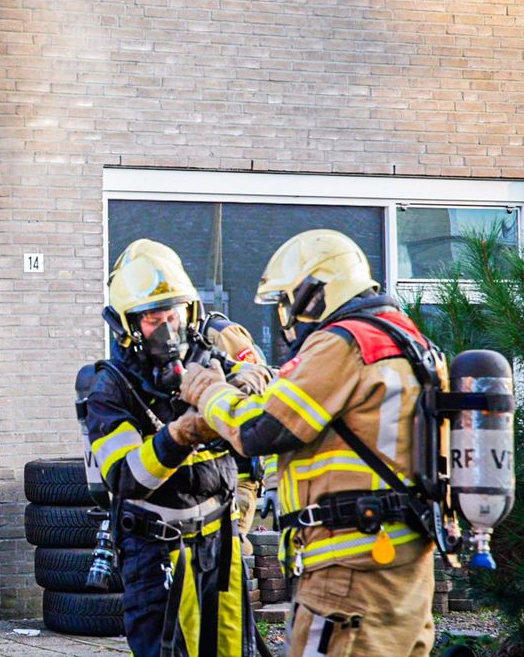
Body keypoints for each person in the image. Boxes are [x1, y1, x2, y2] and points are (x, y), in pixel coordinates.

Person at [180, 229, 437, 656]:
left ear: (315, 295)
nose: (287, 317)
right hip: (405, 561)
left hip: (349, 573)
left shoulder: (342, 342)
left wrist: (208, 391)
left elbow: (260, 430)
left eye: (288, 301)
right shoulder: (403, 338)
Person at [85, 239, 270, 657]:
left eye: (173, 313)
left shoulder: (210, 361)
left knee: (232, 649)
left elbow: (261, 377)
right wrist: (180, 435)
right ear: (128, 326)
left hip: (221, 543)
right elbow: (127, 477)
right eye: (152, 318)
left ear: (190, 312)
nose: (167, 328)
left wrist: (240, 386)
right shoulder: (112, 387)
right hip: (155, 552)